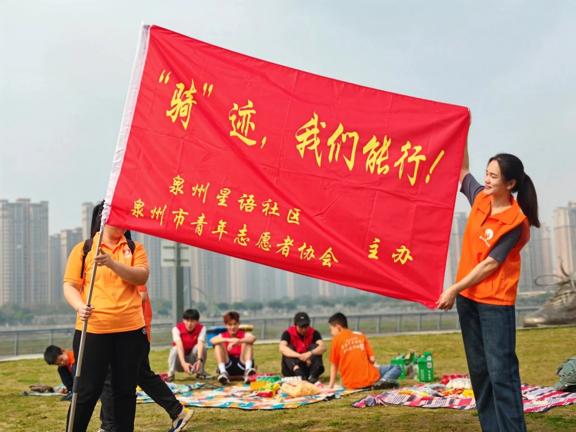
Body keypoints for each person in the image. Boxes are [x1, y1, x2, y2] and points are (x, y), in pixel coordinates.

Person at [437, 146, 539, 432]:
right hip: (468, 301)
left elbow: (490, 265)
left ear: (510, 183)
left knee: (501, 374)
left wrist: (453, 288)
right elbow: (462, 171)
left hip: (495, 304)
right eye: (487, 173)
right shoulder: (481, 197)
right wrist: (463, 128)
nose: (487, 180)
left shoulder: (515, 221)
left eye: (494, 176)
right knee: (480, 372)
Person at [63, 201, 149, 432]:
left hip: (130, 330)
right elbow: (70, 285)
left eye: (124, 217)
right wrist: (79, 306)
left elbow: (141, 277)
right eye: (115, 217)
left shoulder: (135, 248)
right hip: (93, 330)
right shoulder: (84, 249)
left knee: (125, 391)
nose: (121, 223)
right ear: (102, 219)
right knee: (87, 390)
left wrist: (111, 263)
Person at [99, 285, 193, 432]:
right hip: (124, 333)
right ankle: (177, 411)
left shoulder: (130, 272)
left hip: (131, 332)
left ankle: (108, 426)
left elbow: (140, 296)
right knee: (139, 376)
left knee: (112, 376)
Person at [328, 312, 401, 390]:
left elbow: (334, 366)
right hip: (369, 380)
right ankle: (383, 381)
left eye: (331, 329)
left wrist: (330, 386)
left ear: (338, 327)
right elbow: (372, 359)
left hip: (349, 384)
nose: (331, 333)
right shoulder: (360, 335)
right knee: (397, 367)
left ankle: (381, 382)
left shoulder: (336, 340)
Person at [210, 311, 256, 385]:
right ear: (226, 325)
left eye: (235, 324)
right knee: (218, 344)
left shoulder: (244, 334)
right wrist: (228, 340)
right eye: (230, 325)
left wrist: (238, 341)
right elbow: (212, 340)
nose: (233, 327)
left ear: (238, 324)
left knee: (247, 341)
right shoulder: (222, 335)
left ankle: (248, 371)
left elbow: (253, 338)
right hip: (228, 364)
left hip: (242, 364)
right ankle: (223, 372)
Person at [279, 312, 326, 382]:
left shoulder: (314, 333)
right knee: (288, 348)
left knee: (315, 347)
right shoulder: (288, 333)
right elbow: (282, 348)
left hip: (308, 365)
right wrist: (299, 356)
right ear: (295, 325)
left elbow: (323, 347)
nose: (304, 329)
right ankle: (298, 373)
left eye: (306, 326)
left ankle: (313, 375)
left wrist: (310, 353)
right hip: (293, 367)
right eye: (301, 327)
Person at [167, 309, 207, 382]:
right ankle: (171, 374)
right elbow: (179, 346)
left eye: (192, 321)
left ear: (197, 321)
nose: (189, 323)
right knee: (175, 349)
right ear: (183, 320)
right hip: (179, 361)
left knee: (202, 347)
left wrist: (199, 360)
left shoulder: (202, 328)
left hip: (193, 360)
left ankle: (200, 372)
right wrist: (183, 363)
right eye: (187, 320)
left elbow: (200, 343)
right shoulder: (176, 329)